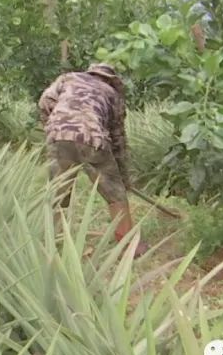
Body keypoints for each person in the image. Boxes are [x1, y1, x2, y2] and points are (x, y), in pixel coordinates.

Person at [37, 62, 146, 257]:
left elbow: (45, 102)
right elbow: (118, 137)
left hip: (59, 137)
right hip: (92, 139)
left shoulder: (67, 78)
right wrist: (121, 177)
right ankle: (130, 246)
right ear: (110, 79)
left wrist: (53, 126)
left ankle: (54, 246)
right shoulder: (112, 94)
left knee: (59, 194)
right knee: (115, 194)